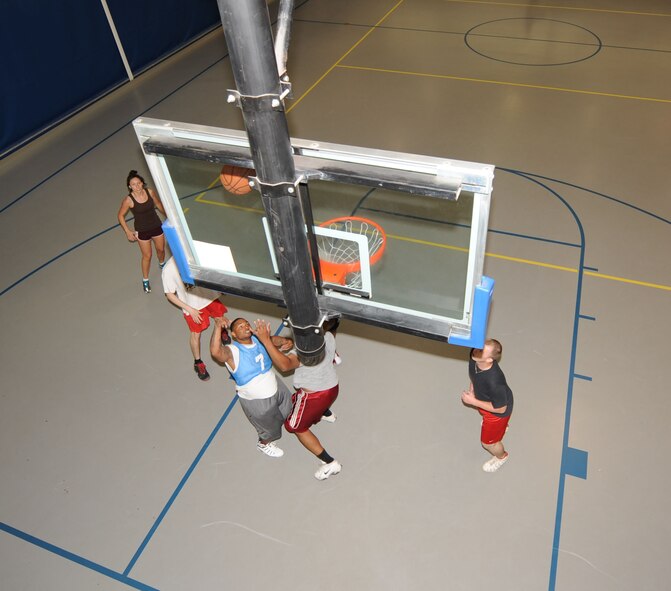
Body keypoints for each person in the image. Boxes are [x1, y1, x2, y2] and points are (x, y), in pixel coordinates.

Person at [254, 318, 342, 481]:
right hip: (332, 387)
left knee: (295, 426)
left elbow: (285, 365)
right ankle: (326, 414)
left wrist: (266, 340)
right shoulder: (328, 336)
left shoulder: (304, 352)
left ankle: (329, 462)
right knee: (309, 404)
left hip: (314, 396)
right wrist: (285, 342)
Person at [209, 317, 293, 457]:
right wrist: (218, 327)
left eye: (246, 324)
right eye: (240, 326)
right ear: (234, 335)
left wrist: (286, 341)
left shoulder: (259, 340)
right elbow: (216, 352)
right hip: (258, 401)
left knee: (290, 408)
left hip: (277, 386)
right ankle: (263, 443)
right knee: (270, 429)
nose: (246, 327)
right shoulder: (233, 351)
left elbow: (273, 340)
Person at [161, 257, 231, 381]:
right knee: (196, 334)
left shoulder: (192, 256)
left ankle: (222, 332)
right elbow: (169, 295)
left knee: (220, 318)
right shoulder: (168, 269)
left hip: (209, 296)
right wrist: (189, 309)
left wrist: (219, 286)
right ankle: (198, 363)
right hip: (192, 306)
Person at [461, 338, 514, 472]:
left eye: (481, 351)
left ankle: (502, 456)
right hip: (490, 402)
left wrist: (473, 401)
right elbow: (475, 377)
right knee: (490, 423)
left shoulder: (495, 382)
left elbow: (501, 409)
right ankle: (501, 428)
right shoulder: (475, 358)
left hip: (497, 414)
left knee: (487, 443)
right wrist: (473, 390)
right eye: (478, 347)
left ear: (490, 360)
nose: (476, 350)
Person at [117, 170, 166, 293]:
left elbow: (159, 204)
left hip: (156, 226)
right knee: (147, 256)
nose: (137, 186)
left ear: (142, 183)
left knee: (161, 250)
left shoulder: (150, 192)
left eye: (138, 183)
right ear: (130, 187)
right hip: (142, 231)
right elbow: (120, 216)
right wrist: (127, 231)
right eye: (133, 184)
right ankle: (145, 279)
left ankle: (162, 263)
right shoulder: (128, 200)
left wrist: (169, 216)